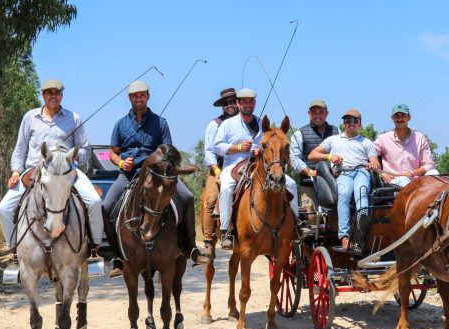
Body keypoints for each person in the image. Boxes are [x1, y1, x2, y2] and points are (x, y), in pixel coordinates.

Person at [101, 79, 209, 278]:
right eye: (135, 96)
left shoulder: (161, 123)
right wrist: (121, 163)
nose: (138, 98)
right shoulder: (120, 124)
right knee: (105, 207)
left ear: (148, 96)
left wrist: (154, 161)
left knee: (187, 197)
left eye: (142, 95)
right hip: (128, 174)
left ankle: (192, 248)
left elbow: (168, 150)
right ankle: (116, 257)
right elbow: (113, 152)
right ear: (130, 98)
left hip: (156, 174)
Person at [0, 78, 103, 258]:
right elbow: (20, 149)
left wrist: (72, 155)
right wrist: (15, 171)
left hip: (67, 169)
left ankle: (94, 249)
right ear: (43, 95)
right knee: (3, 209)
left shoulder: (74, 118)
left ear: (62, 95)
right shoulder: (30, 117)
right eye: (49, 92)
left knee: (94, 202)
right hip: (35, 170)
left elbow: (85, 150)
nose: (53, 96)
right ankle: (15, 251)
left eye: (57, 92)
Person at [213, 88, 308, 250]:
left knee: (291, 184)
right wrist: (238, 147)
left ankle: (296, 224)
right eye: (244, 102)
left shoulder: (261, 124)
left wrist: (260, 150)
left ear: (255, 103)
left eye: (250, 101)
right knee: (227, 188)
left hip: (258, 164)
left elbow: (269, 146)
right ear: (238, 104)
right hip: (233, 164)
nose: (248, 104)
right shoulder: (228, 124)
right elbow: (217, 147)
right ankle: (226, 230)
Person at [308, 108, 380, 250]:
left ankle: (360, 233)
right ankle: (345, 236)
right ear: (343, 124)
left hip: (361, 172)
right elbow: (312, 155)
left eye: (355, 120)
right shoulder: (333, 140)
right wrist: (330, 157)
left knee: (361, 193)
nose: (351, 123)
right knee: (344, 194)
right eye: (348, 120)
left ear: (360, 124)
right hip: (343, 173)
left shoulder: (367, 142)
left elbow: (375, 162)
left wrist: (373, 165)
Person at [201, 87, 239, 258]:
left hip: (241, 167)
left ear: (238, 103)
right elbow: (209, 152)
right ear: (222, 106)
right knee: (211, 200)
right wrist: (216, 170)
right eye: (226, 103)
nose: (230, 105)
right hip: (219, 168)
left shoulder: (245, 122)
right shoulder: (214, 124)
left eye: (233, 101)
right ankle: (209, 241)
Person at [374, 103, 439, 187]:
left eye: (403, 115)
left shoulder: (420, 138)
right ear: (392, 118)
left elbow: (429, 164)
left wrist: (411, 173)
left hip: (417, 182)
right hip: (394, 183)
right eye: (396, 116)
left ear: (409, 117)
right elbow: (371, 157)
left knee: (434, 173)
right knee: (403, 179)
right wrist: (381, 173)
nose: (400, 118)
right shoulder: (382, 139)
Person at [289, 99, 338, 206]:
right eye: (314, 113)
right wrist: (310, 172)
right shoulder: (298, 134)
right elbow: (295, 159)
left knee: (335, 215)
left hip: (334, 184)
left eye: (321, 112)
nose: (317, 116)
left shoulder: (337, 132)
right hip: (309, 184)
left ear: (327, 114)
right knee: (310, 215)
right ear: (309, 114)